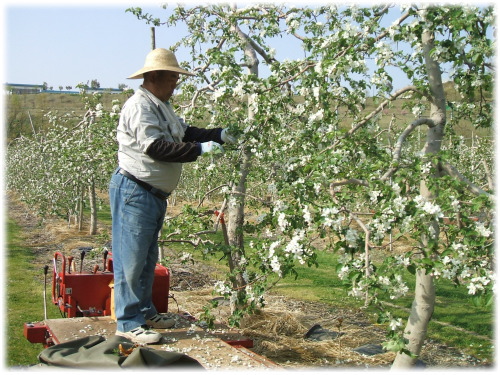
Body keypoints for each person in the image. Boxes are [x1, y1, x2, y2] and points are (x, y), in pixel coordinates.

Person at [109, 48, 237, 344]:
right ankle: (128, 323)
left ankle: (145, 312)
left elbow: (183, 132)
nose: (176, 84)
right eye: (171, 78)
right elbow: (154, 147)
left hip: (150, 194)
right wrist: (200, 151)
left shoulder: (160, 104)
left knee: (146, 257)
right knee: (132, 259)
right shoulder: (140, 106)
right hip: (134, 190)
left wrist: (217, 135)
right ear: (153, 77)